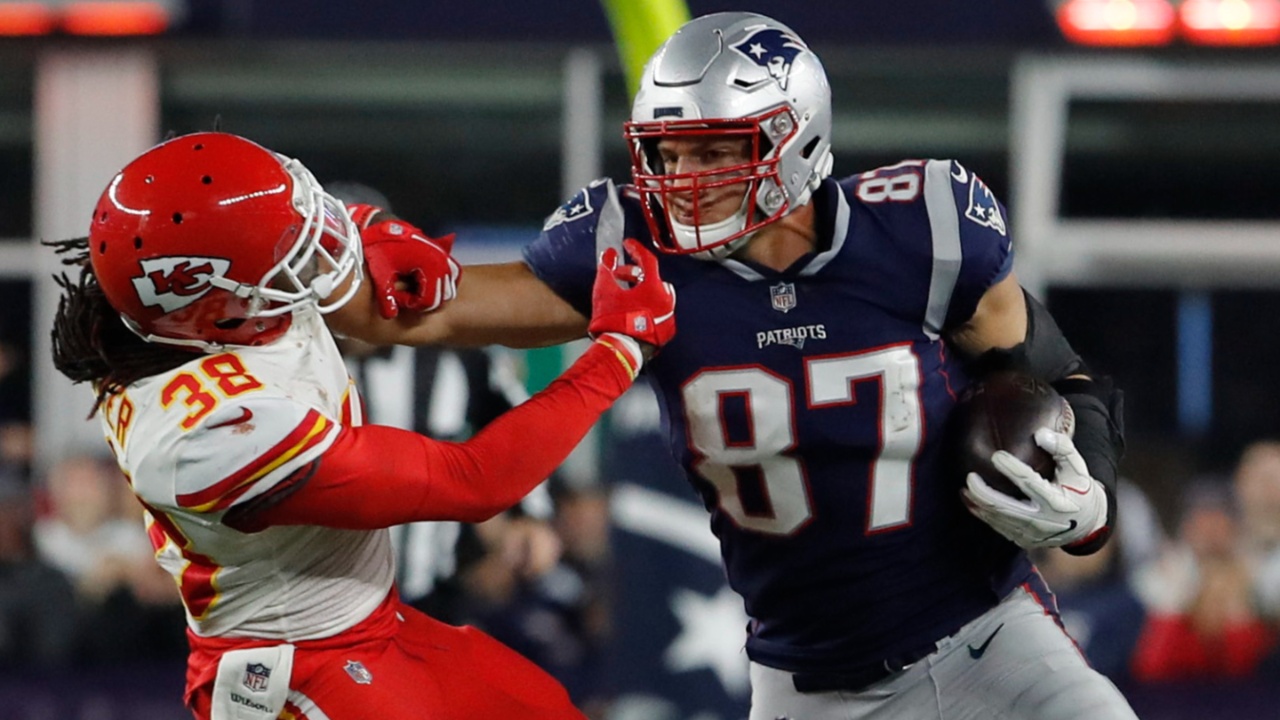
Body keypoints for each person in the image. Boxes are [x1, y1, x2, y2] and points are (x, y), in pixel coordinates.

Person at [331, 12, 1134, 719]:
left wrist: (1088, 502)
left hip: (990, 640)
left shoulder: (924, 231)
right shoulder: (632, 247)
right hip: (807, 686)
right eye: (668, 155)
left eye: (716, 151)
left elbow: (1065, 377)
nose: (684, 182)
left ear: (799, 141)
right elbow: (432, 315)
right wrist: (306, 265)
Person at [46, 131, 675, 720]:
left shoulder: (198, 306)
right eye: (289, 251)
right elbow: (474, 482)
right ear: (219, 305)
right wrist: (619, 354)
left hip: (377, 624)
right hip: (291, 669)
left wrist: (375, 226)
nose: (317, 244)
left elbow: (280, 237)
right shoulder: (207, 429)